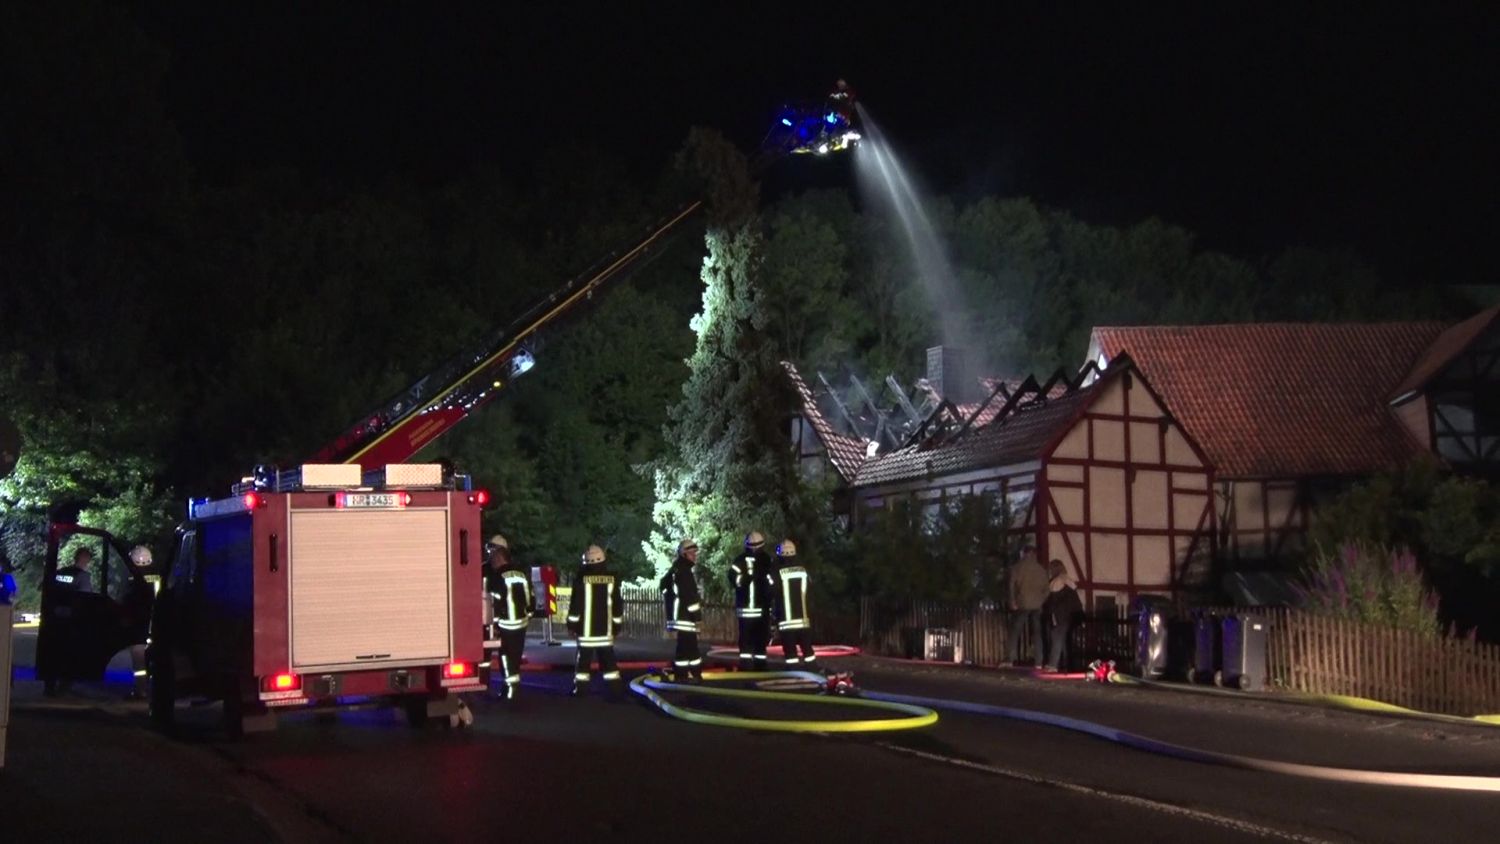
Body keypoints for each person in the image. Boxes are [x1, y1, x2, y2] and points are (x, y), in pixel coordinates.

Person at [566, 544, 624, 700]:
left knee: (583, 665)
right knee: (609, 664)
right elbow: (617, 605)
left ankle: (581, 691)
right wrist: (617, 626)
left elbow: (575, 606)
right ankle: (616, 691)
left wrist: (571, 626)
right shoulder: (612, 579)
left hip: (586, 634)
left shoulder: (581, 580)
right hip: (606, 632)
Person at [485, 535, 532, 701]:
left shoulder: (497, 576)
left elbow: (495, 603)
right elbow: (530, 598)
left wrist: (495, 625)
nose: (491, 559)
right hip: (521, 623)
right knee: (515, 657)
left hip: (506, 624)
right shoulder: (521, 573)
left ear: (499, 556)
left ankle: (511, 691)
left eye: (493, 556)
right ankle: (511, 689)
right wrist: (528, 614)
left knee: (506, 658)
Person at [729, 531, 775, 671]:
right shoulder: (767, 560)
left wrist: (744, 579)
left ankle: (747, 665)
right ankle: (759, 666)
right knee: (759, 639)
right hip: (761, 609)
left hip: (747, 610)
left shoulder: (740, 560)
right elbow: (773, 584)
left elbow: (733, 579)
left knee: (748, 639)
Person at [661, 538, 704, 682]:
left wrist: (672, 601)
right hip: (685, 617)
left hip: (679, 616)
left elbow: (663, 585)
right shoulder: (684, 572)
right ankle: (694, 674)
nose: (694, 556)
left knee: (684, 647)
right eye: (692, 553)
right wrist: (697, 616)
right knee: (691, 647)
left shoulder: (676, 569)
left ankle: (682, 675)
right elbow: (690, 596)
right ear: (684, 554)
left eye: (695, 553)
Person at [770, 539, 817, 669]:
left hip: (787, 622)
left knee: (790, 652)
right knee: (807, 649)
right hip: (803, 620)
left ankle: (794, 672)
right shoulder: (803, 570)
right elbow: (811, 591)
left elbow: (771, 591)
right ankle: (813, 671)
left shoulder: (777, 571)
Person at [125, 545, 160, 699]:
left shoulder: (132, 578)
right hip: (158, 623)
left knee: (139, 660)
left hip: (140, 623)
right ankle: (156, 690)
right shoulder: (158, 576)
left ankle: (141, 690)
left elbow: (127, 600)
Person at [1006, 542, 1049, 666]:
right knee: (1037, 633)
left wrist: (1013, 600)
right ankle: (1039, 661)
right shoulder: (1041, 570)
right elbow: (1047, 590)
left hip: (1022, 603)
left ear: (1024, 553)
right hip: (1037, 604)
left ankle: (1010, 658)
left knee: (1015, 631)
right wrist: (1041, 600)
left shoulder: (1017, 568)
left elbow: (1011, 586)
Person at [1042, 560, 1083, 673]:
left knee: (1057, 638)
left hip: (1060, 615)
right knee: (1064, 640)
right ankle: (1066, 664)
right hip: (1071, 614)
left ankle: (1053, 664)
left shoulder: (1056, 582)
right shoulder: (1068, 580)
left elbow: (1052, 601)